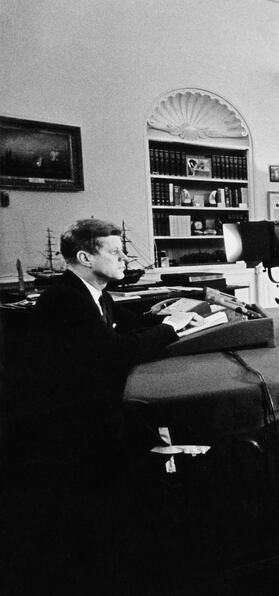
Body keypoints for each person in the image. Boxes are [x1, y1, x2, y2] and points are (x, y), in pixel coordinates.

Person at [8, 219, 192, 591]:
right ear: (84, 257)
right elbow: (112, 353)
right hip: (68, 428)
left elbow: (127, 324)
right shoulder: (65, 299)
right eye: (113, 250)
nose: (124, 256)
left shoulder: (94, 293)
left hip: (85, 412)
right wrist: (172, 328)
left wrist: (165, 312)